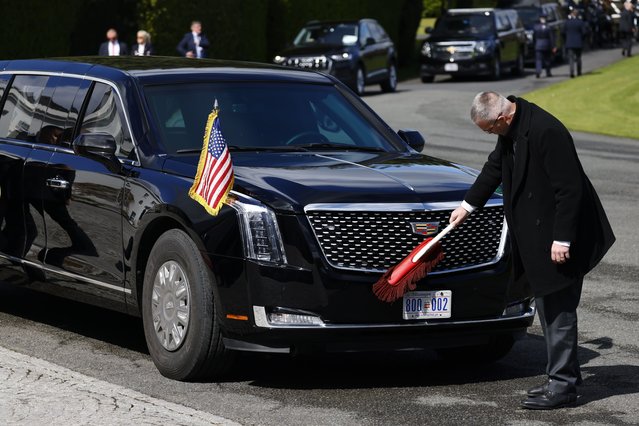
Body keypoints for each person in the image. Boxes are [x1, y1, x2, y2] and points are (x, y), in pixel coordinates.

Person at [449, 92, 615, 410]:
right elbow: (494, 168)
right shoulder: (512, 129)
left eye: (488, 129)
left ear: (502, 118)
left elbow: (570, 189)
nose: (489, 135)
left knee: (558, 309)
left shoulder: (547, 131)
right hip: (540, 236)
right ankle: (562, 377)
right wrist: (467, 206)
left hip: (563, 236)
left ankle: (563, 386)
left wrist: (562, 240)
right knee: (548, 305)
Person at [563, 8, 587, 78]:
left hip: (569, 42)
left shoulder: (567, 22)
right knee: (578, 58)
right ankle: (579, 72)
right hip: (578, 42)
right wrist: (582, 39)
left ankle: (571, 72)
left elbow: (563, 32)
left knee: (571, 58)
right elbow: (584, 32)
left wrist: (566, 39)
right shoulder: (580, 22)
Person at [533, 13, 556, 78]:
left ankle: (538, 71)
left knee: (538, 59)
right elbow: (551, 38)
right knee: (547, 59)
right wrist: (553, 46)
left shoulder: (536, 27)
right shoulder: (549, 27)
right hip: (546, 45)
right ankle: (548, 72)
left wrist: (535, 45)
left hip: (538, 45)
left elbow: (534, 37)